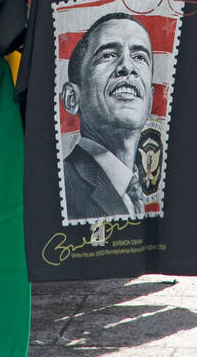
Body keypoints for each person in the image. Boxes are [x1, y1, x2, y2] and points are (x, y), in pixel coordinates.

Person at [60, 12, 154, 222]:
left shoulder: (144, 181)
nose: (127, 68)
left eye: (140, 57)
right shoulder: (62, 184)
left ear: (151, 98)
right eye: (108, 55)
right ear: (71, 97)